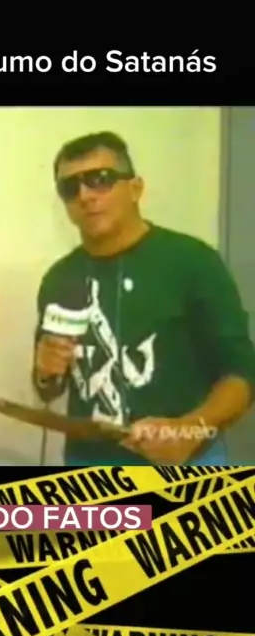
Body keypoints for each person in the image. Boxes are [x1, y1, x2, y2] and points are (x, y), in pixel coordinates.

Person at [32, 132, 255, 466]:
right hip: (89, 468)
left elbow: (242, 373)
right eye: (70, 187)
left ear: (135, 188)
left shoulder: (192, 261)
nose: (85, 196)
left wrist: (190, 431)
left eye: (100, 180)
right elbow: (50, 387)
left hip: (189, 462)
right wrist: (45, 372)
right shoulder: (59, 279)